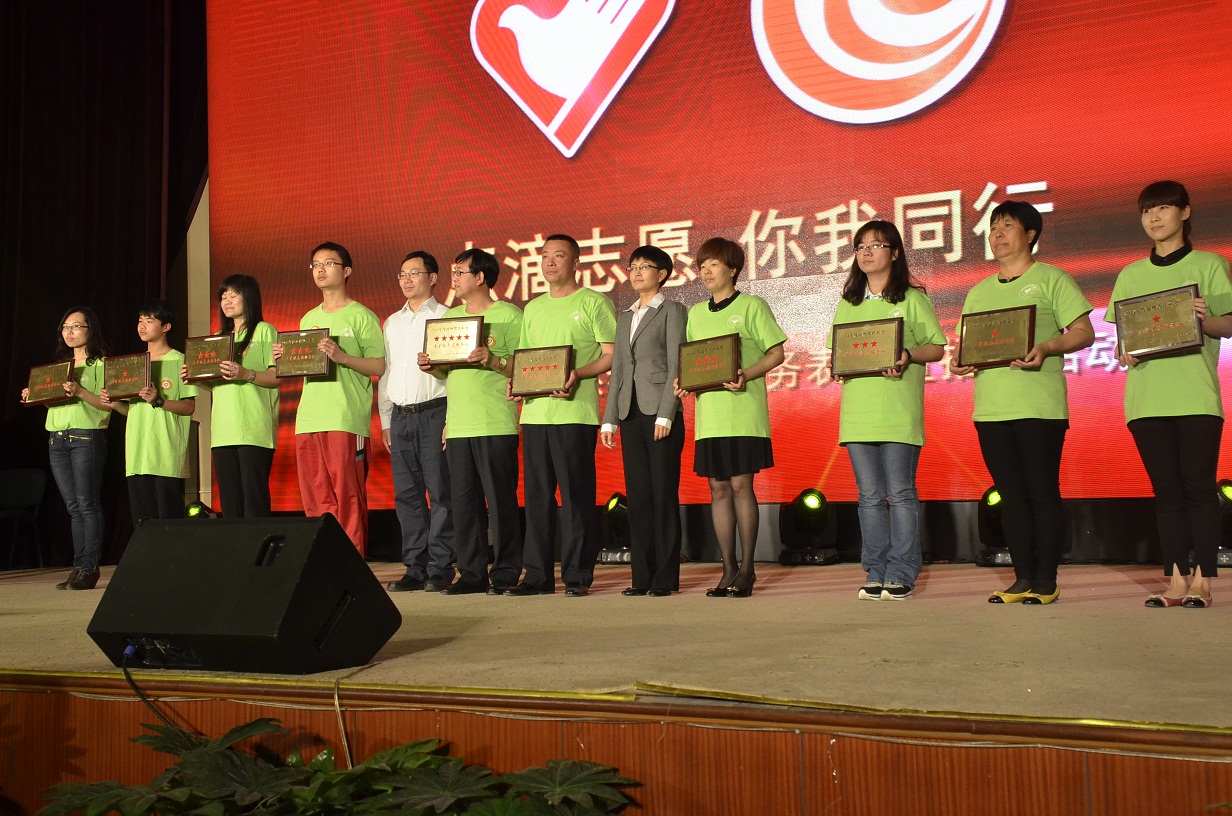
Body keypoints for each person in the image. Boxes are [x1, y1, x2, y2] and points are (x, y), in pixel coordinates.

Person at [949, 201, 1094, 605]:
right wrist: (960, 361)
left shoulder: (1052, 278)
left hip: (1039, 406)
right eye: (993, 227)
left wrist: (1046, 346)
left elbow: (1083, 332)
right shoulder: (978, 292)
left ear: (1030, 234)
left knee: (1042, 493)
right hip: (991, 408)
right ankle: (1022, 577)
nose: (997, 234)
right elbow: (969, 345)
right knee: (1011, 496)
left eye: (1007, 226)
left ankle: (1046, 580)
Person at [1105, 181, 1232, 609]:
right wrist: (1124, 351)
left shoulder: (1209, 264)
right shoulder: (1130, 275)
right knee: (1167, 492)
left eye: (1163, 208)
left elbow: (1228, 323)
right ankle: (1176, 581)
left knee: (1199, 489)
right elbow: (1123, 339)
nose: (1154, 217)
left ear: (1185, 212)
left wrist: (1204, 319)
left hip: (1196, 396)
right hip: (1146, 400)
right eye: (1147, 211)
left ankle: (1203, 581)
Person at [829, 222, 945, 601]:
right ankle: (875, 570)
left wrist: (907, 354)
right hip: (858, 413)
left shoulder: (912, 298)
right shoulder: (849, 302)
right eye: (860, 246)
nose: (866, 252)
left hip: (897, 411)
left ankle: (901, 572)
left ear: (894, 253)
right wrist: (839, 366)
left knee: (901, 493)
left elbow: (936, 347)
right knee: (869, 497)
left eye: (876, 245)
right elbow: (839, 353)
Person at [674, 237, 786, 598]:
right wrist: (685, 381)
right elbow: (695, 360)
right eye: (702, 265)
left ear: (733, 269)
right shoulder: (695, 314)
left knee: (740, 485)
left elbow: (776, 353)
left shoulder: (752, 306)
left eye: (714, 264)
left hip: (743, 411)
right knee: (718, 488)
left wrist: (745, 375)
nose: (706, 271)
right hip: (710, 416)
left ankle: (748, 568)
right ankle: (727, 569)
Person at [505, 234, 617, 597]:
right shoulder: (533, 308)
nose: (550, 262)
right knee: (537, 499)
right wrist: (517, 385)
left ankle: (577, 575)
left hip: (575, 414)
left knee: (575, 497)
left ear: (575, 263)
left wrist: (577, 374)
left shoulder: (594, 302)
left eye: (558, 255)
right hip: (535, 415)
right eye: (544, 256)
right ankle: (536, 576)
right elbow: (525, 359)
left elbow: (611, 354)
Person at [418, 248, 524, 595]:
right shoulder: (452, 318)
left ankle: (505, 572)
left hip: (495, 422)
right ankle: (472, 574)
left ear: (480, 277)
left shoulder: (509, 315)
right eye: (454, 272)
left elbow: (524, 367)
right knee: (464, 506)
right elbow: (448, 370)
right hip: (459, 424)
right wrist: (431, 366)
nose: (454, 279)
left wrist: (493, 361)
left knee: (501, 503)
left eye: (460, 272)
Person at [275, 242, 386, 554]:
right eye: (315, 264)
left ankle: (351, 560)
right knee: (316, 495)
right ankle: (324, 557)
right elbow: (304, 366)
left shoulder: (362, 315)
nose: (320, 270)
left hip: (344, 417)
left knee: (347, 493)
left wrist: (342, 356)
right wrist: (285, 358)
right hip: (309, 417)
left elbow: (378, 366)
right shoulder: (307, 319)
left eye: (328, 263)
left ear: (346, 271)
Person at [600, 245, 686, 596]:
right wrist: (609, 420)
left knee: (662, 495)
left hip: (660, 414)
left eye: (644, 267)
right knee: (638, 498)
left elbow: (677, 365)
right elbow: (619, 369)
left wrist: (667, 412)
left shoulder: (672, 311)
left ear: (662, 274)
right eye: (632, 266)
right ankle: (642, 578)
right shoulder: (625, 316)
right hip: (630, 413)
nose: (636, 272)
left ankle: (664, 579)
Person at [378, 251, 455, 592]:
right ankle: (415, 567)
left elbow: (455, 375)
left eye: (414, 273)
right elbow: (387, 373)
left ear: (433, 278)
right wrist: (385, 418)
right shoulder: (392, 322)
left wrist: (452, 418)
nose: (407, 280)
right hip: (400, 416)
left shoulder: (447, 317)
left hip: (435, 412)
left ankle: (441, 566)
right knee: (407, 496)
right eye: (402, 274)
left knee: (440, 493)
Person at [21, 308, 112, 590]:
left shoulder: (102, 365)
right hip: (57, 438)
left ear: (90, 329)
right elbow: (56, 402)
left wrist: (81, 392)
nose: (69, 332)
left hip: (86, 436)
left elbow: (108, 405)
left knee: (87, 504)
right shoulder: (60, 366)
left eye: (76, 326)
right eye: (65, 327)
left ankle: (89, 568)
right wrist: (36, 396)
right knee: (73, 507)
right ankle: (78, 567)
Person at [190, 275, 280, 518]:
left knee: (253, 501)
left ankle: (259, 543)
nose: (227, 301)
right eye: (223, 296)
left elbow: (277, 377)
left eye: (233, 295)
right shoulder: (219, 336)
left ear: (249, 297)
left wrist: (245, 373)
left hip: (254, 428)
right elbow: (218, 385)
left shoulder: (264, 330)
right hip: (223, 431)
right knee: (230, 503)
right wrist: (196, 377)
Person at [102, 300, 197, 524]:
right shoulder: (134, 365)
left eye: (149, 320)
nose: (142, 326)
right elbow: (134, 411)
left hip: (165, 454)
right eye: (140, 320)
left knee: (169, 522)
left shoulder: (179, 360)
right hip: (137, 455)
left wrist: (158, 400)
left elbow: (189, 407)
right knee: (143, 523)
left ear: (166, 327)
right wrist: (115, 404)